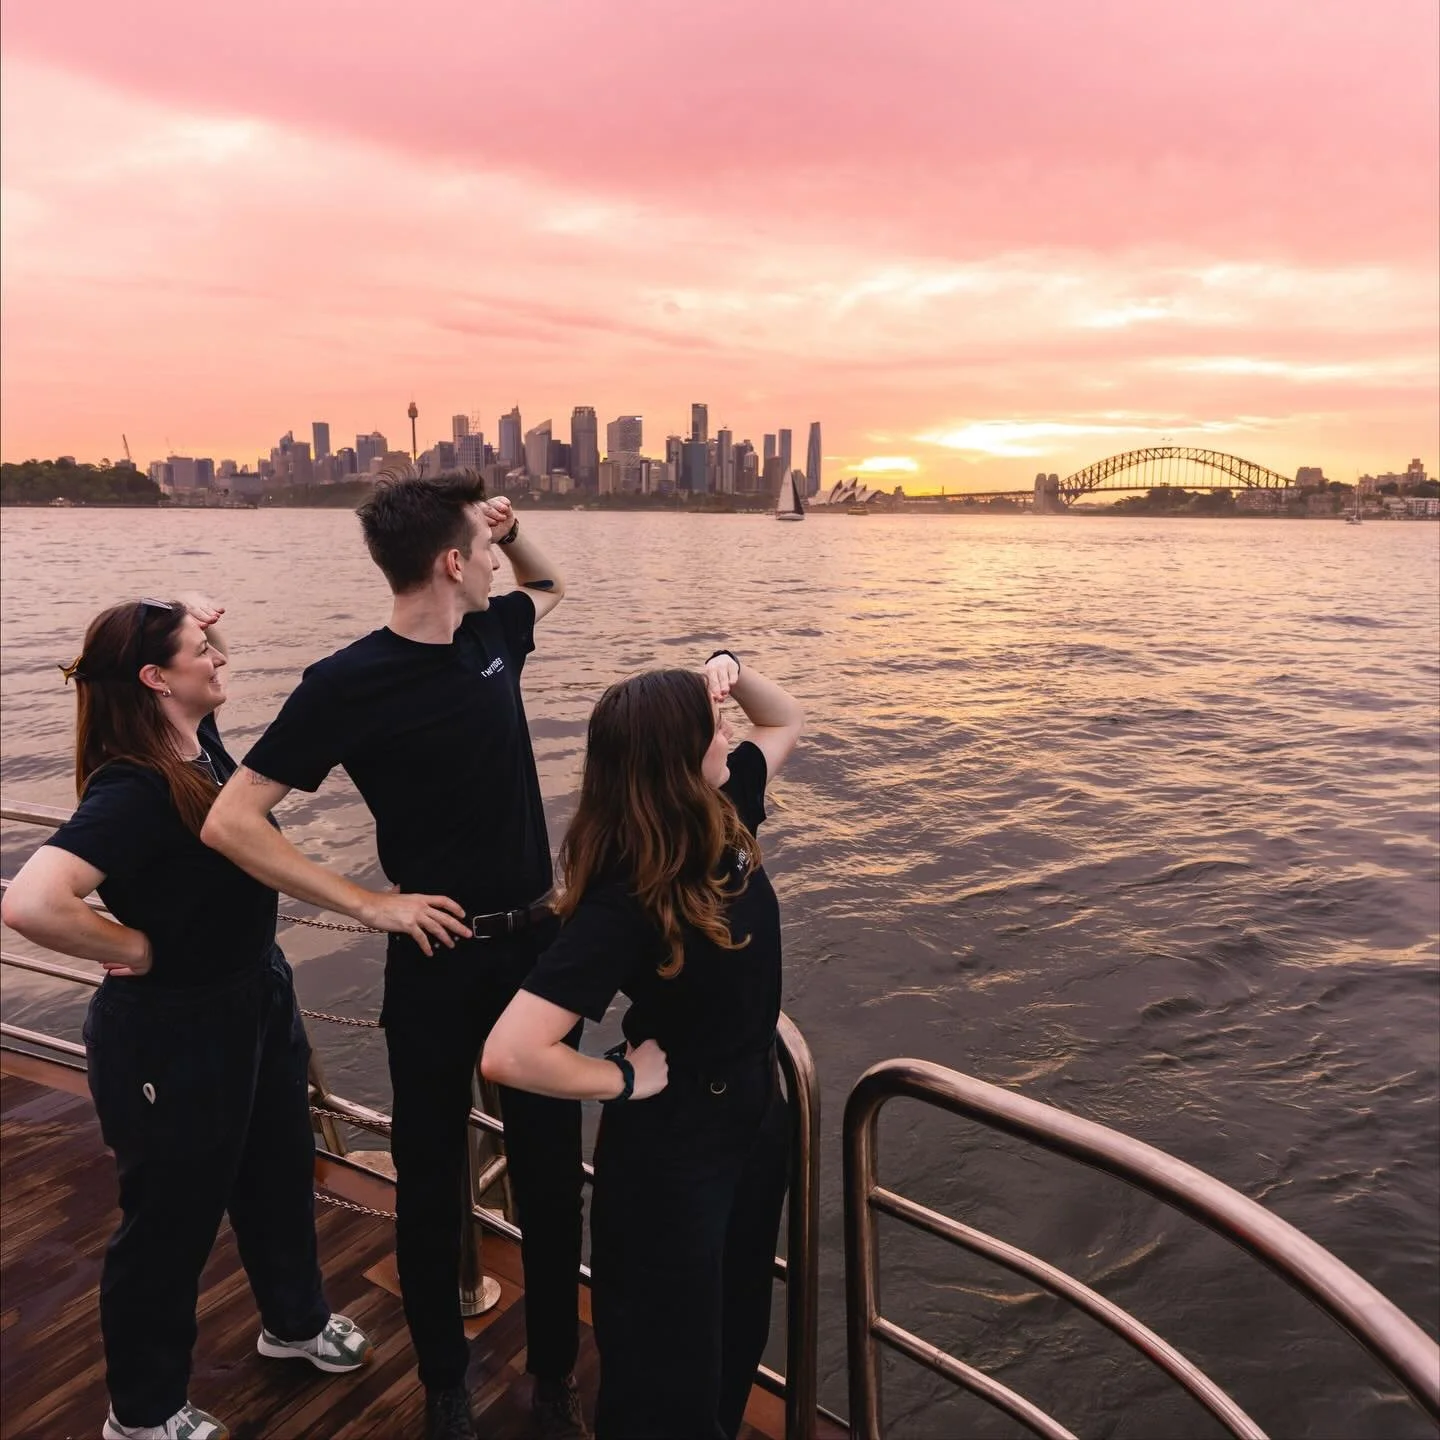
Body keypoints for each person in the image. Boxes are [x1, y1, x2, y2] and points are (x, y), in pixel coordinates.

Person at [201, 471, 586, 1440]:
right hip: (436, 963)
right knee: (427, 1183)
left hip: (533, 955)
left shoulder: (491, 634)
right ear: (452, 565)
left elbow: (550, 588)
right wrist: (372, 906)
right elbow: (233, 820)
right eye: (485, 550)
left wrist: (516, 527)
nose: (500, 562)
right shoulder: (346, 683)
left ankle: (554, 1386)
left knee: (548, 1181)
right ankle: (446, 1390)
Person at [1, 595, 372, 1440]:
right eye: (203, 650)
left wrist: (197, 620)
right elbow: (30, 903)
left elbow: (196, 677)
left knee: (279, 1174)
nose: (220, 658)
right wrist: (134, 948)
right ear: (156, 678)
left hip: (254, 998)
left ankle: (295, 1324)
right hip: (171, 1031)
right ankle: (144, 1411)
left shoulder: (194, 746)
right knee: (169, 1225)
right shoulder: (134, 785)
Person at [482, 650, 804, 1440]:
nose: (728, 730)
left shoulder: (724, 812)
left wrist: (729, 665)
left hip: (754, 1122)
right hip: (675, 1151)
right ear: (675, 757)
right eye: (711, 724)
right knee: (669, 1359)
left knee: (736, 1328)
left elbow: (783, 716)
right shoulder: (628, 893)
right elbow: (511, 1051)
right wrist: (621, 1079)